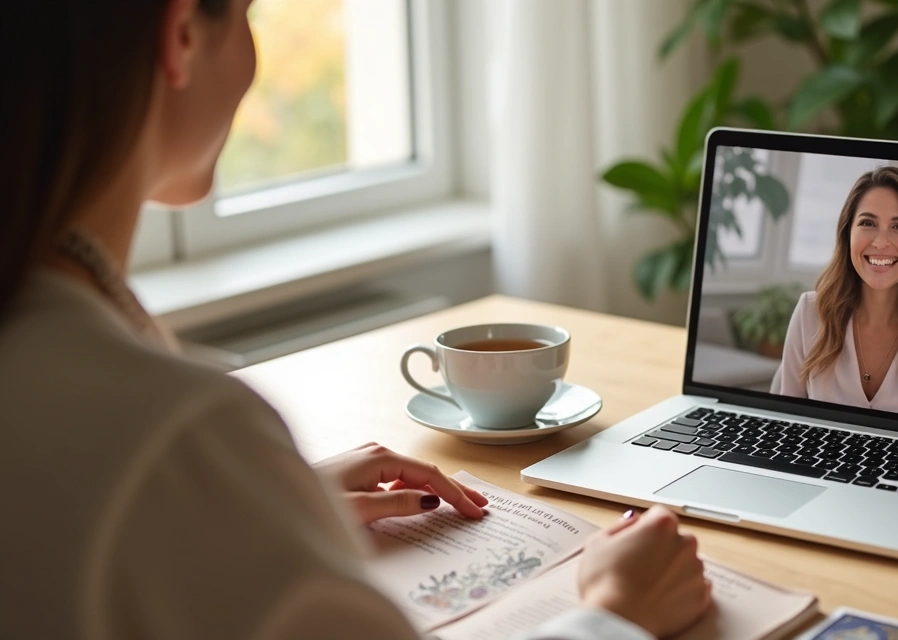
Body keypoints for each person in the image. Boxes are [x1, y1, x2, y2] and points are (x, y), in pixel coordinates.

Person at [0, 2, 711, 639]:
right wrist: (614, 611)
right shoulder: (178, 433)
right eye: (251, 15)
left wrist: (268, 510)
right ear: (183, 33)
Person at [777, 166, 898, 424]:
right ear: (847, 233)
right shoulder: (810, 313)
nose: (881, 242)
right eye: (868, 223)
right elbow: (784, 425)